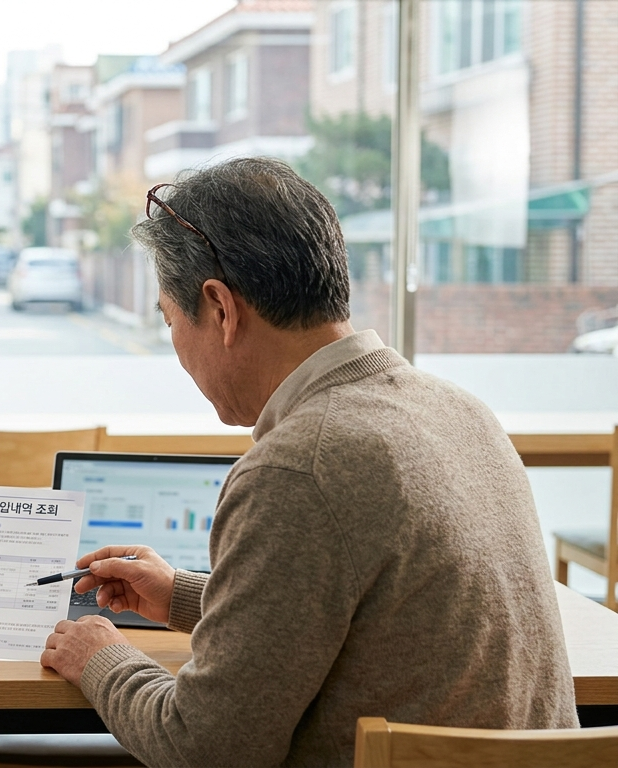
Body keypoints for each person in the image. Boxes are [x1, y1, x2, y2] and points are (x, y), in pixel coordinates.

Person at [39, 157, 577, 766]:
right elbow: (378, 618)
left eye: (170, 320)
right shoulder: (459, 410)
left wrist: (100, 657)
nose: (177, 351)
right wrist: (185, 596)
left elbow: (205, 748)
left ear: (220, 309)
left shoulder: (297, 469)